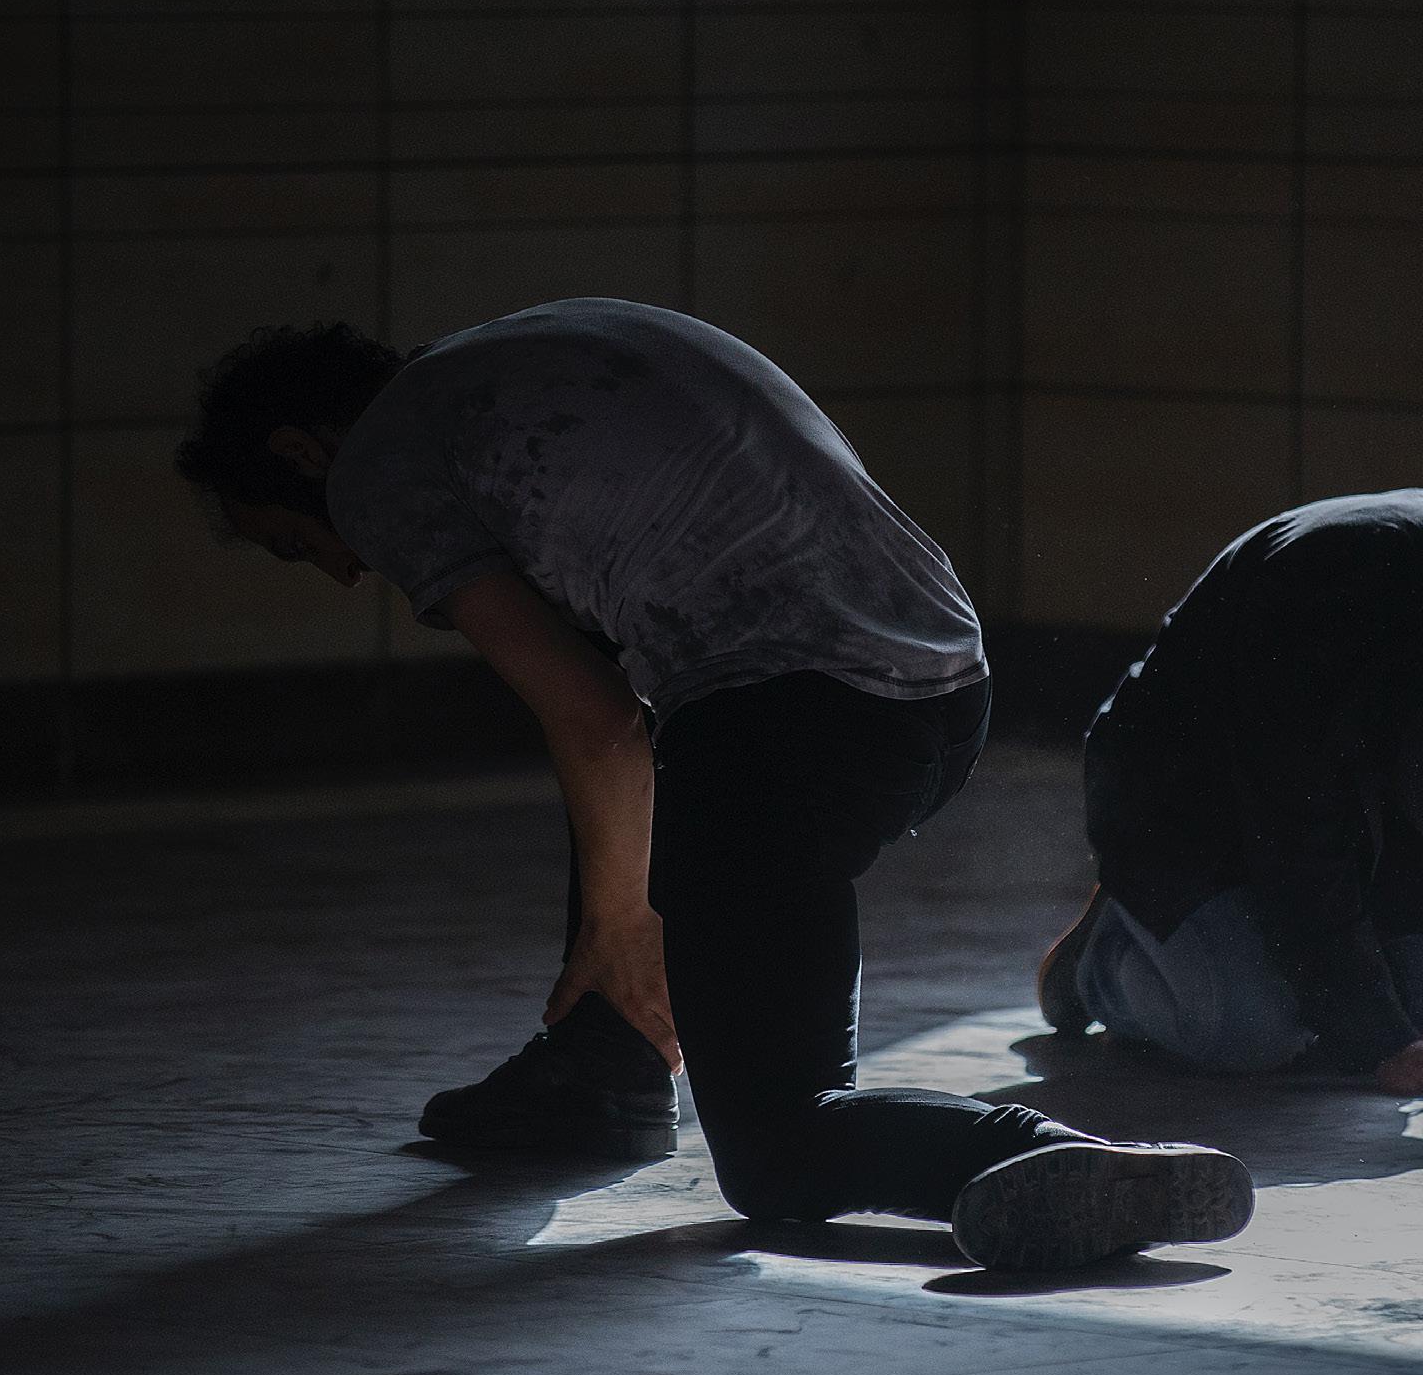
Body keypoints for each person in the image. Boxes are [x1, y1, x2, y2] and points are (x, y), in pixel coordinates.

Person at [175, 298, 1252, 1270]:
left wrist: (620, 927)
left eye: (293, 543)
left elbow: (593, 720)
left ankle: (1051, 1157)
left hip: (784, 722)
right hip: (942, 685)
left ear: (300, 451)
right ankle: (604, 1063)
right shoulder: (548, 341)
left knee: (778, 1152)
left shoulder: (378, 461)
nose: (344, 570)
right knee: (665, 755)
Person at [1038, 489, 1423, 1096]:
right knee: (1249, 1030)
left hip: (1347, 766)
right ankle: (1107, 955)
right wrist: (1379, 1042)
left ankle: (1252, 964)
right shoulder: (1305, 622)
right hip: (1191, 785)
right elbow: (1300, 860)